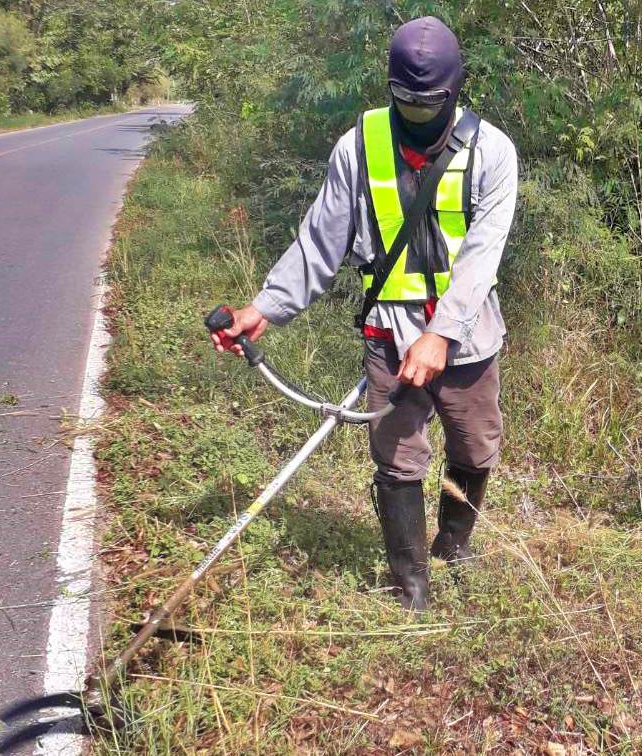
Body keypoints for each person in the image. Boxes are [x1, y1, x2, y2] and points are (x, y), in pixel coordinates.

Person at [210, 16, 518, 612]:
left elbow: (483, 256)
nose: (419, 113)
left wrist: (440, 335)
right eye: (408, 100)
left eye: (432, 103)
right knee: (398, 458)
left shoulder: (493, 151)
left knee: (476, 446)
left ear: (456, 91)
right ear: (389, 88)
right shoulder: (359, 146)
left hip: (467, 337)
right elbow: (320, 241)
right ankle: (412, 586)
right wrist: (265, 308)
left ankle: (454, 547)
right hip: (389, 331)